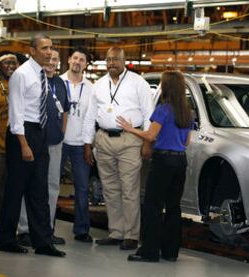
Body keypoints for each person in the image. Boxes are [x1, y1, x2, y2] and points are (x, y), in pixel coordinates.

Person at [0, 33, 66, 257]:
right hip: (22, 134)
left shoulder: (41, 75)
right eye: (44, 48)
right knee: (15, 190)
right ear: (33, 51)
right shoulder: (22, 75)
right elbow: (16, 113)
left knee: (39, 191)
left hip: (39, 132)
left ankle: (43, 242)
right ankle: (7, 239)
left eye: (51, 47)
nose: (49, 52)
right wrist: (24, 144)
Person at [117, 70, 193, 262]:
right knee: (173, 207)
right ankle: (170, 252)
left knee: (153, 205)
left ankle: (149, 251)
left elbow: (150, 135)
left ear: (166, 87)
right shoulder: (187, 111)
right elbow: (186, 142)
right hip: (180, 161)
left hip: (163, 161)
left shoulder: (163, 109)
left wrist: (130, 129)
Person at [83, 46, 153, 251]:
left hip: (130, 140)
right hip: (103, 139)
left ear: (124, 61)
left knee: (129, 189)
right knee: (110, 189)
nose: (112, 63)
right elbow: (89, 116)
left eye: (116, 59)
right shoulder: (99, 85)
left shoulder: (138, 83)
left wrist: (147, 142)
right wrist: (88, 144)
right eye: (109, 59)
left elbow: (149, 114)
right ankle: (116, 232)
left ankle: (131, 235)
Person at [17, 49, 70, 246]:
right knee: (29, 185)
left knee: (52, 187)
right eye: (48, 58)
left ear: (58, 62)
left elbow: (65, 111)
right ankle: (24, 230)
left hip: (54, 142)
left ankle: (46, 230)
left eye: (55, 59)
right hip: (33, 142)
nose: (51, 61)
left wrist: (61, 134)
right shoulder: (32, 79)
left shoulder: (61, 84)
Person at [60, 46, 94, 243]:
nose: (77, 62)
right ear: (69, 60)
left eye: (82, 60)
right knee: (51, 185)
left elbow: (91, 118)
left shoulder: (91, 88)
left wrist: (88, 144)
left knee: (82, 188)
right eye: (75, 58)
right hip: (60, 142)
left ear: (86, 65)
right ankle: (47, 226)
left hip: (81, 143)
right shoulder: (57, 82)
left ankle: (81, 230)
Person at [0, 51, 18, 222]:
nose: (10, 66)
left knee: (10, 192)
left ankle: (6, 230)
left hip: (16, 147)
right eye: (6, 62)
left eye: (13, 63)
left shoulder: (19, 84)